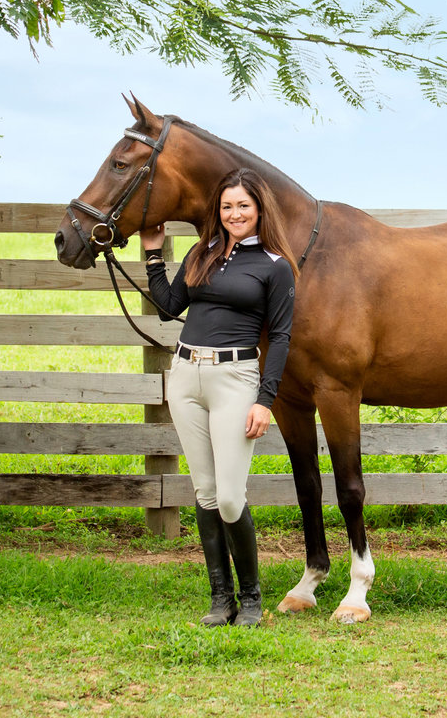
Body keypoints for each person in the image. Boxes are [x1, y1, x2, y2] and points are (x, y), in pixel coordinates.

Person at [141, 168, 298, 627]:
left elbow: (282, 337)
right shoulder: (202, 251)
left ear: (259, 209)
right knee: (205, 492)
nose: (234, 214)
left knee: (230, 497)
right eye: (227, 206)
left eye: (243, 206)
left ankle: (251, 599)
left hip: (236, 378)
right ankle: (220, 598)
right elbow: (170, 305)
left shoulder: (275, 265)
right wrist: (153, 253)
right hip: (186, 377)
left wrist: (265, 400)